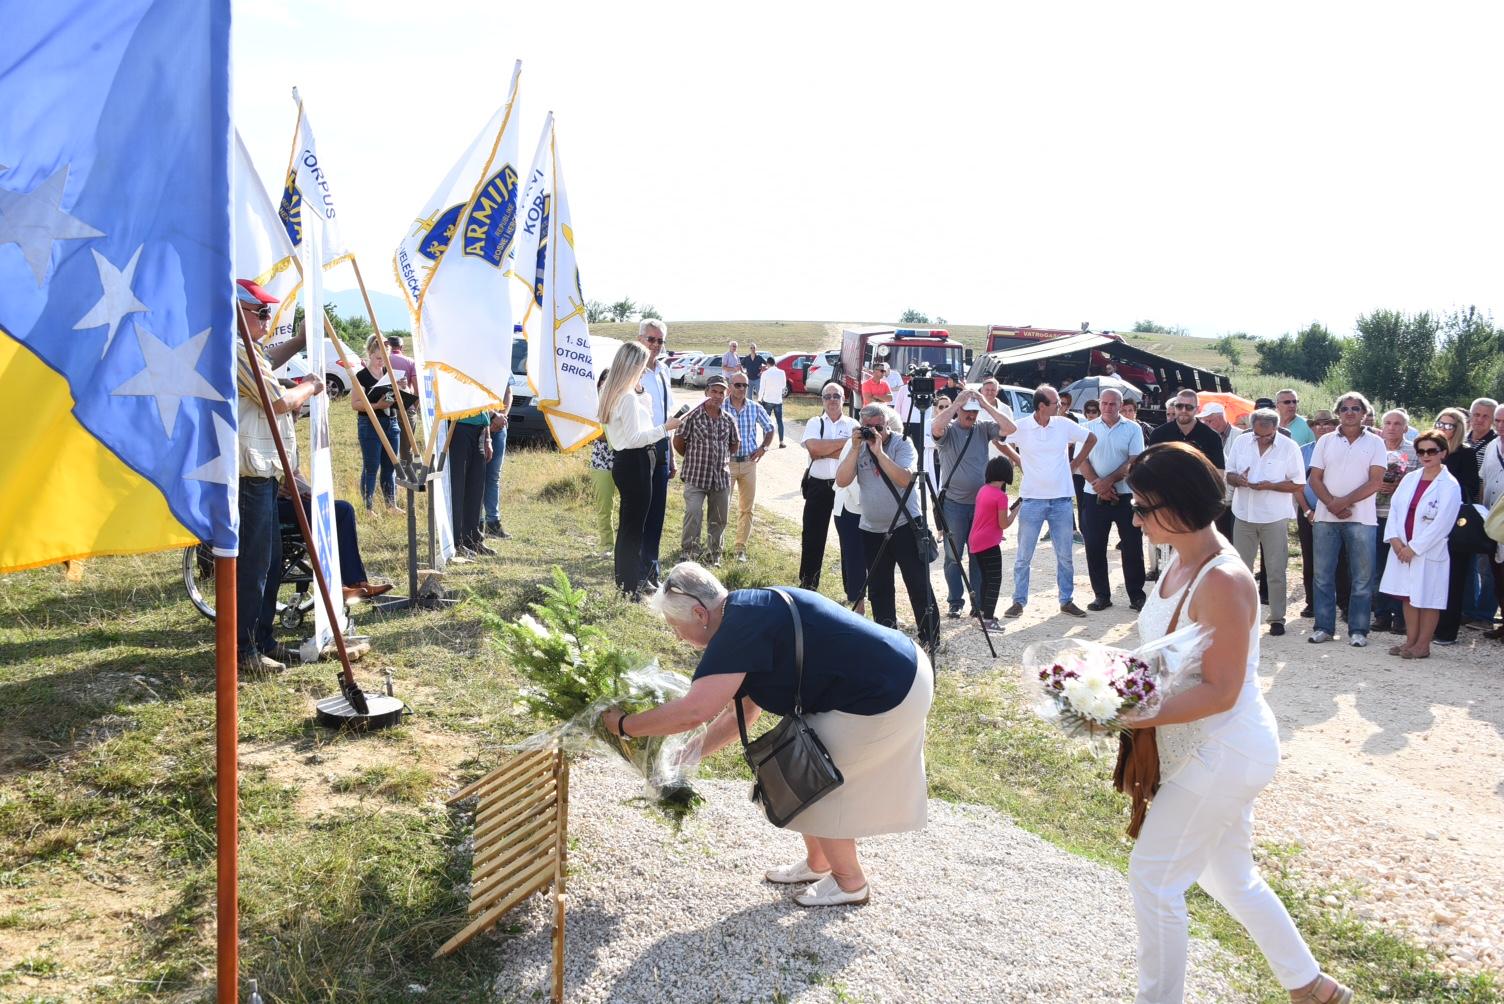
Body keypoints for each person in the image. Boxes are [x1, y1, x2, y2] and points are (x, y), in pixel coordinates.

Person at [1122, 442, 1353, 1004]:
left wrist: (1126, 712)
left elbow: (1221, 691)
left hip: (1222, 748)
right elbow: (1172, 652)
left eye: (1143, 507)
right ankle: (1312, 987)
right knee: (1229, 877)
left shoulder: (1224, 579)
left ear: (1177, 505)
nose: (1136, 518)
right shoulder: (1180, 555)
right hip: (1206, 745)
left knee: (1154, 881)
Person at [606, 564, 933, 907]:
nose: (677, 638)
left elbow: (694, 711)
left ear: (700, 613)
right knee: (797, 767)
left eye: (677, 627)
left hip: (891, 689)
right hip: (896, 668)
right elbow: (743, 713)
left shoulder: (737, 631)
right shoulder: (742, 613)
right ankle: (818, 863)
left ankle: (850, 883)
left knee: (813, 777)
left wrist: (625, 725)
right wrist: (689, 754)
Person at [234, 280, 323, 674]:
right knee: (254, 564)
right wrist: (310, 386)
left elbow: (269, 358)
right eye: (261, 312)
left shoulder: (248, 350)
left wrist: (301, 340)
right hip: (248, 471)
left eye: (269, 312)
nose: (268, 319)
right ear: (237, 312)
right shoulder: (235, 350)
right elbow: (277, 402)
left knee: (268, 562)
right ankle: (245, 649)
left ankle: (263, 640)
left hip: (264, 470)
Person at [836, 403, 940, 652]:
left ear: (887, 424)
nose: (874, 431)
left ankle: (930, 637)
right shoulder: (857, 447)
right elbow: (842, 480)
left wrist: (879, 451)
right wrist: (855, 448)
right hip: (871, 528)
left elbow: (905, 478)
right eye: (868, 427)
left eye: (878, 427)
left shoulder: (902, 444)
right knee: (880, 588)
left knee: (917, 582)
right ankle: (887, 638)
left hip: (905, 525)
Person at [1002, 385, 1096, 619]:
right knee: (1024, 555)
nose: (1061, 406)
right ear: (1042, 406)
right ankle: (1018, 601)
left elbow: (1091, 438)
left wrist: (1074, 464)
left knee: (1065, 555)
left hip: (1061, 500)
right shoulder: (1022, 426)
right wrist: (1018, 459)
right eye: (1056, 403)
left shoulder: (1062, 424)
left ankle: (1066, 600)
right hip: (1032, 499)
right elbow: (999, 439)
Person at [599, 341, 683, 596]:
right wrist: (666, 428)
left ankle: (625, 582)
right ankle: (628, 584)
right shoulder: (625, 397)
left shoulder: (614, 392)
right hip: (635, 459)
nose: (646, 368)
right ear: (634, 365)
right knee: (634, 528)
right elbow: (636, 437)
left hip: (626, 461)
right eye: (643, 363)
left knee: (629, 526)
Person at [1307, 392, 1387, 647]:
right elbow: (1314, 479)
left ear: (1364, 413)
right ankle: (1323, 627)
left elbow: (1376, 482)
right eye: (1344, 408)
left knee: (1362, 577)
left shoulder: (1376, 442)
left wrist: (1342, 503)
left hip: (1361, 519)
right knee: (1322, 575)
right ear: (1338, 413)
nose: (1350, 412)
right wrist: (1332, 504)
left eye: (1355, 408)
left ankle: (1359, 630)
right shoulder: (1326, 441)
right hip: (1325, 518)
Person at [930, 388, 1016, 618]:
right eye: (967, 411)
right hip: (954, 504)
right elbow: (935, 427)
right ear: (959, 410)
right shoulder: (948, 431)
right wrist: (957, 403)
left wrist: (986, 406)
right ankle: (955, 601)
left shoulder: (983, 428)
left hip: (980, 506)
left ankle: (976, 603)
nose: (971, 415)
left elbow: (1010, 429)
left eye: (974, 412)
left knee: (978, 555)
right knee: (953, 555)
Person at [1378, 430, 1462, 660]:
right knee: (1408, 596)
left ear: (1443, 453)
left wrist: (1414, 548)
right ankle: (1410, 642)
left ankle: (1423, 645)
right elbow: (1394, 510)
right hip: (1402, 547)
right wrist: (1395, 540)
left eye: (1432, 451)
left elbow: (1443, 523)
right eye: (1421, 451)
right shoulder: (1410, 478)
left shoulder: (1450, 486)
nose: (1426, 455)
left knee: (1428, 598)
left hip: (1426, 551)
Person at [1226, 409, 1306, 636]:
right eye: (1258, 435)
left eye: (1267, 436)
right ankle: (1240, 616)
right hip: (1244, 513)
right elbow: (1229, 474)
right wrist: (1238, 480)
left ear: (1276, 429)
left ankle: (1277, 618)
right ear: (1252, 428)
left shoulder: (1289, 447)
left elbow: (1298, 484)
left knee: (1276, 569)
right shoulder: (1242, 442)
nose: (1262, 439)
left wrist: (1270, 485)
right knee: (1241, 570)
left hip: (1274, 516)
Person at [1079, 388, 1147, 611]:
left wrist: (1108, 481)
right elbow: (1082, 461)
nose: (1108, 407)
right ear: (1099, 404)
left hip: (1125, 494)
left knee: (1132, 546)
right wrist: (1100, 485)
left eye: (1113, 404)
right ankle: (1102, 595)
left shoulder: (1133, 428)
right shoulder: (1087, 428)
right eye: (1105, 403)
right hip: (1094, 495)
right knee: (1095, 546)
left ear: (1120, 404)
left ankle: (1136, 595)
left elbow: (1134, 461)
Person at [799, 382, 859, 590]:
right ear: (822, 400)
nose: (832, 400)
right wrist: (846, 445)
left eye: (836, 396)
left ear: (844, 399)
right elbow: (814, 449)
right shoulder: (815, 422)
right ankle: (808, 584)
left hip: (846, 488)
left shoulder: (853, 424)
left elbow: (857, 453)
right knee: (813, 536)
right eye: (827, 396)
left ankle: (852, 588)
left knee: (849, 538)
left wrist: (827, 449)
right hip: (818, 486)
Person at [675, 374, 739, 566]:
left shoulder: (728, 419)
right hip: (696, 476)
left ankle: (714, 555)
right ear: (706, 392)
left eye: (721, 393)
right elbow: (678, 441)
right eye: (714, 391)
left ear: (725, 395)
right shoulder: (693, 416)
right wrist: (693, 457)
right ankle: (689, 552)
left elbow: (734, 444)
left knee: (719, 519)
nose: (717, 396)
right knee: (693, 513)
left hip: (720, 478)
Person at [1432, 406, 1483, 645]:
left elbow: (1471, 488)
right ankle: (1429, 626)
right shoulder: (1430, 450)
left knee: (1454, 578)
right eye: (1440, 424)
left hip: (1456, 524)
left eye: (1449, 425)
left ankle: (1447, 630)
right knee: (1431, 577)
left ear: (1459, 428)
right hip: (1430, 523)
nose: (1443, 429)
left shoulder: (1465, 453)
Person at [1295, 411, 1349, 619]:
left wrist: (1337, 506)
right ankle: (1312, 602)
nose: (1323, 427)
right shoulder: (1303, 452)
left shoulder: (1343, 450)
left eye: (1328, 424)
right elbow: (1296, 484)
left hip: (1337, 511)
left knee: (1341, 560)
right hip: (1309, 510)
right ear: (1312, 427)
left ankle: (1344, 602)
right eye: (1318, 424)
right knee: (1310, 558)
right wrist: (1308, 511)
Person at [636, 320, 676, 586]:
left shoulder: (663, 371)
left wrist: (671, 453)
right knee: (639, 511)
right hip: (638, 447)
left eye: (660, 341)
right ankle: (634, 571)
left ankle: (652, 571)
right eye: (651, 340)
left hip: (661, 445)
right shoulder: (632, 370)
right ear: (640, 339)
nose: (655, 346)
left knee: (657, 513)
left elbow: (668, 416)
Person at [1371, 410, 1419, 633]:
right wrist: (1375, 486)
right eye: (1388, 423)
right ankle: (1381, 615)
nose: (1392, 427)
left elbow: (1421, 482)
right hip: (1373, 515)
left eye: (1397, 424)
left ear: (1406, 428)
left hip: (1401, 520)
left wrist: (1397, 487)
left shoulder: (1415, 451)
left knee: (1401, 567)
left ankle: (1401, 617)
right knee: (1377, 567)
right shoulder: (1373, 446)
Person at [722, 372, 774, 563]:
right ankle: (717, 546)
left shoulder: (754, 407)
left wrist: (764, 448)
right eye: (738, 385)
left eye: (745, 385)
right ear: (730, 386)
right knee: (721, 506)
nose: (742, 389)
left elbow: (770, 428)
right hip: (726, 463)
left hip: (748, 463)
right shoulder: (721, 406)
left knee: (747, 508)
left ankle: (740, 548)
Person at [350, 334, 402, 513]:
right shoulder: (361, 376)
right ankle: (368, 508)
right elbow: (355, 404)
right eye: (379, 358)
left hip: (391, 421)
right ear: (370, 354)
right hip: (370, 423)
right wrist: (377, 405)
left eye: (385, 358)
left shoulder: (390, 374)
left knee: (391, 465)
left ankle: (391, 505)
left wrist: (401, 389)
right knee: (371, 466)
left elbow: (399, 398)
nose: (382, 362)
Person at [1461, 398, 1500, 626]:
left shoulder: (1495, 444)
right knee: (1467, 562)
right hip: (1467, 510)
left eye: (1486, 416)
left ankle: (1484, 614)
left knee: (1488, 564)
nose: (1479, 420)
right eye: (1476, 414)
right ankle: (1467, 608)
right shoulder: (1462, 441)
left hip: (1487, 509)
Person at [969, 457, 1017, 629]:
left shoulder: (983, 489)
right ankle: (988, 619)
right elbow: (1004, 523)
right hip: (989, 543)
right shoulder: (1000, 496)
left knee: (986, 579)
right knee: (995, 580)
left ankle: (982, 614)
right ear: (1005, 474)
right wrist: (1017, 509)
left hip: (976, 540)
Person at [449, 410, 493, 559]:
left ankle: (473, 539)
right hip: (458, 427)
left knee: (476, 489)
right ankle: (456, 542)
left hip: (480, 430)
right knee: (458, 488)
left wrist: (488, 439)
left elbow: (485, 406)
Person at [1149, 390, 1226, 471]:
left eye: (1189, 407)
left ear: (1197, 409)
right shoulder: (1158, 434)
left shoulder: (1212, 437)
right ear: (1175, 407)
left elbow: (1219, 473)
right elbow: (1149, 468)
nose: (1183, 410)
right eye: (1179, 406)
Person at [1479, 403, 1504, 641]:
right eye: (1498, 421)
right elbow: (1484, 482)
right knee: (1497, 574)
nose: (1500, 426)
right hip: (1493, 520)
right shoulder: (1490, 448)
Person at [587, 373, 616, 558]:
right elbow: (592, 433)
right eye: (604, 380)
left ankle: (624, 546)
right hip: (601, 461)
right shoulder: (592, 405)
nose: (606, 384)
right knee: (604, 507)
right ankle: (607, 546)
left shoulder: (622, 403)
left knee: (628, 507)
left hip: (624, 459)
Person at [482, 381, 513, 539]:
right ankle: (477, 521)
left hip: (501, 427)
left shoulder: (504, 360)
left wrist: (502, 417)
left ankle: (493, 523)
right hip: (480, 423)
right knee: (477, 476)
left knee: (493, 476)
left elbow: (508, 392)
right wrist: (493, 416)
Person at [758, 358, 788, 447]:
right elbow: (783, 386)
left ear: (767, 364)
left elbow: (762, 387)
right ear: (775, 363)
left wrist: (759, 399)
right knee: (779, 421)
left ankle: (765, 443)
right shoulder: (782, 372)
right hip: (778, 400)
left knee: (766, 422)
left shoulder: (765, 373)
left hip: (767, 400)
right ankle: (781, 442)